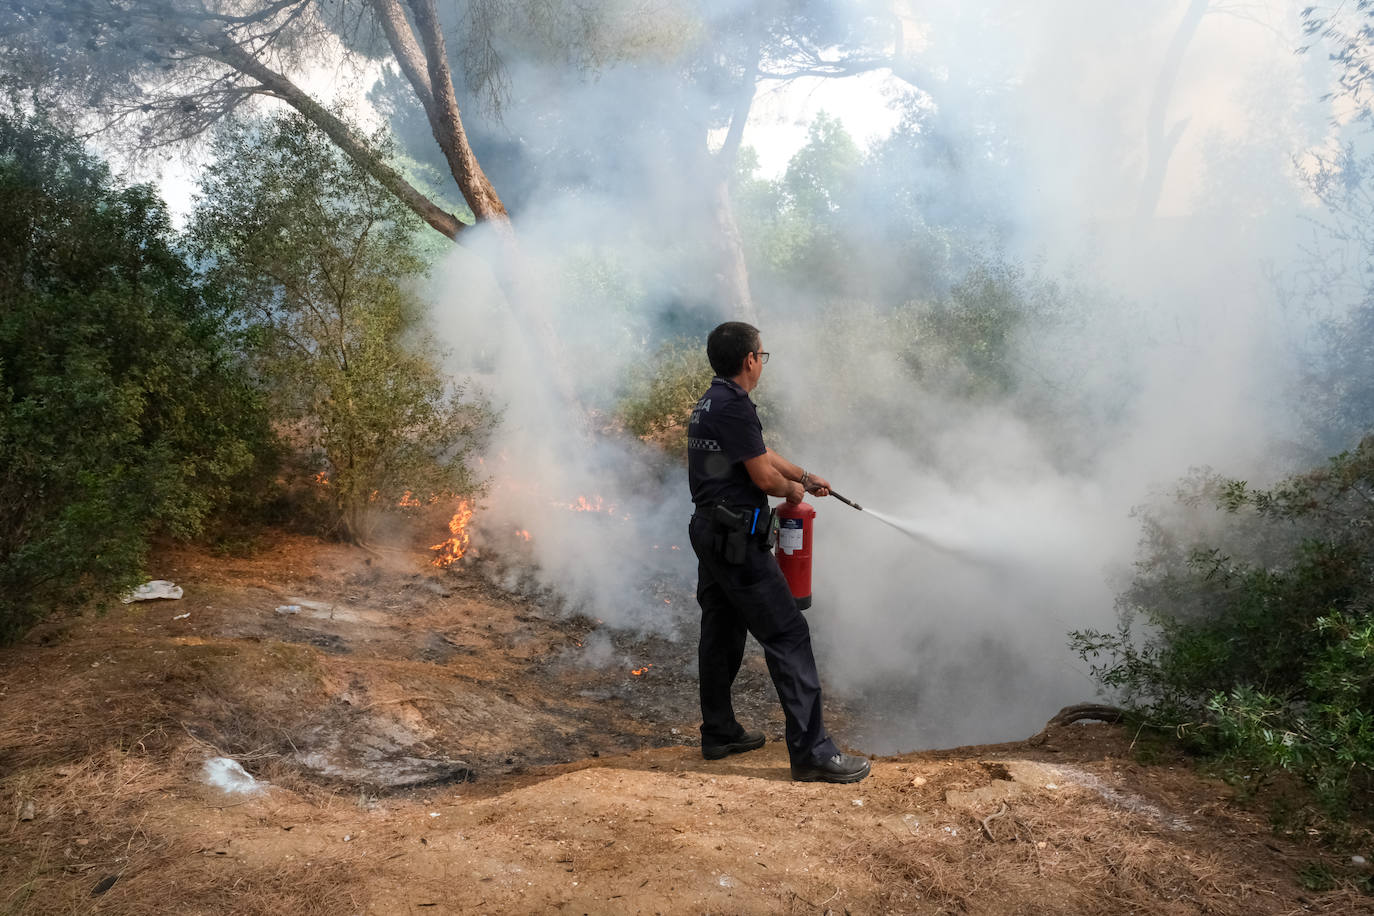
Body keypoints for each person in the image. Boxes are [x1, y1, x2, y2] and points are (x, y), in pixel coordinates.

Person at [686, 321, 870, 784]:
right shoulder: (735, 404)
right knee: (788, 634)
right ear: (750, 360)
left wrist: (804, 476)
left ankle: (719, 732)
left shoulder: (712, 401)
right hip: (735, 539)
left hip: (711, 531)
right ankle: (812, 753)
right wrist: (791, 491)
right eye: (762, 356)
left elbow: (760, 453)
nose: (762, 363)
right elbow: (764, 477)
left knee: (721, 630)